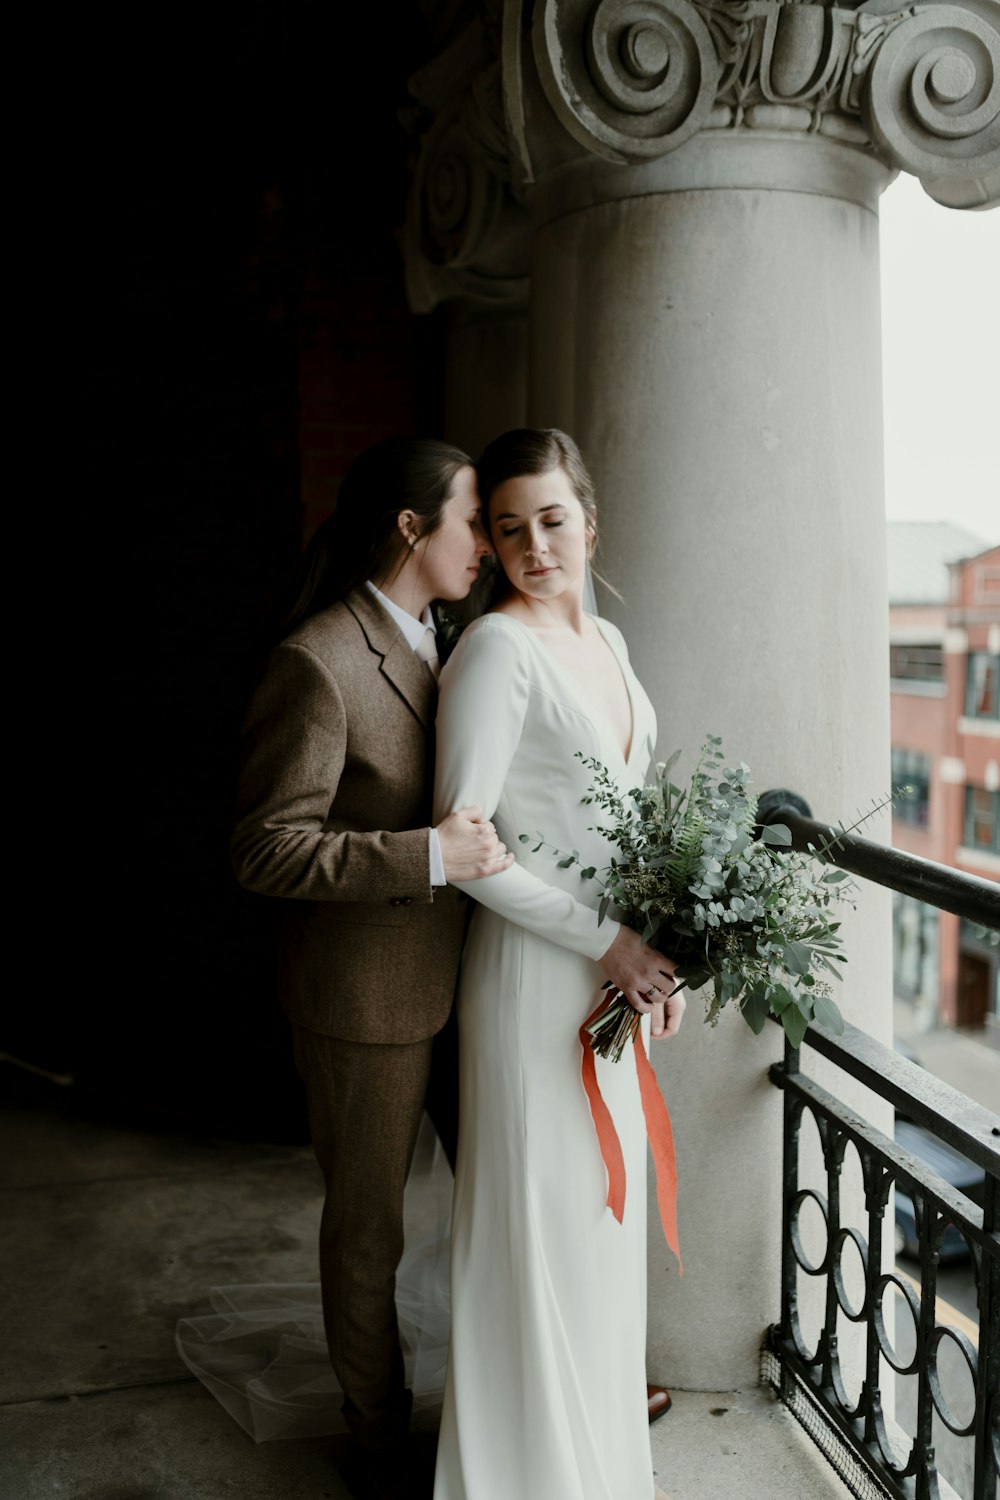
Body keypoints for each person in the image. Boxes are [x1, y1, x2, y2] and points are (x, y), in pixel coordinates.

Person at [230, 437, 514, 1500]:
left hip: (468, 984)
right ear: (411, 530)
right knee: (370, 1232)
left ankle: (528, 1396)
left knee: (510, 1190)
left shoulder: (457, 640)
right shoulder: (316, 661)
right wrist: (426, 856)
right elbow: (263, 849)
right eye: (472, 522)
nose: (486, 545)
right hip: (360, 1003)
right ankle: (378, 1437)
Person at [432, 428, 685, 1500]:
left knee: (597, 1236)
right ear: (488, 543)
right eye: (507, 527)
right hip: (535, 984)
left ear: (590, 519)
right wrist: (607, 943)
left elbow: (629, 824)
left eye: (551, 518)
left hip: (610, 983)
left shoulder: (613, 647)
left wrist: (656, 962)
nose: (535, 543)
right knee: (541, 1233)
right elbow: (465, 845)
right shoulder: (496, 651)